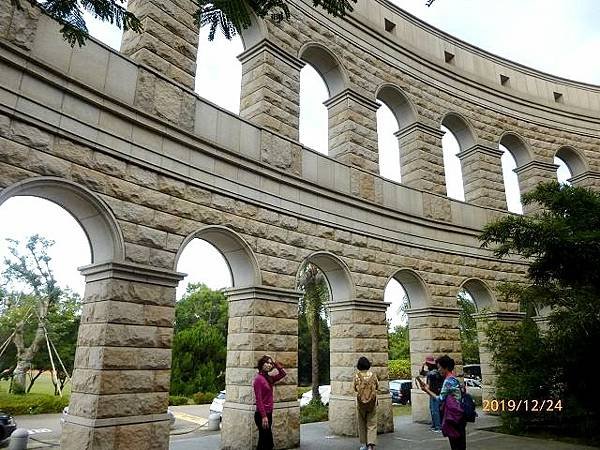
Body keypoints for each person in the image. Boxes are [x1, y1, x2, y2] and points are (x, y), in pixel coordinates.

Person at [417, 355, 466, 450]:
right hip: (459, 414)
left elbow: (440, 399)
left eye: (439, 367)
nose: (438, 370)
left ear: (446, 368)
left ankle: (437, 426)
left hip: (454, 416)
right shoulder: (453, 378)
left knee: (456, 444)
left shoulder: (448, 381)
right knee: (460, 443)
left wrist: (426, 390)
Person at [253, 355, 287, 450]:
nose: (269, 365)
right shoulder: (258, 380)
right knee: (267, 442)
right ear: (261, 364)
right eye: (267, 363)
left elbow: (283, 374)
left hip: (269, 413)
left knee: (265, 441)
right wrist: (264, 416)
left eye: (270, 363)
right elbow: (259, 400)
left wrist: (276, 364)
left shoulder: (269, 378)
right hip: (261, 415)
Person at [353, 356, 379, 450]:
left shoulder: (357, 376)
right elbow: (377, 387)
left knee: (362, 423)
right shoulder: (373, 375)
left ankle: (363, 444)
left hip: (361, 403)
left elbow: (355, 388)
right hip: (372, 402)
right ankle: (371, 445)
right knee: (372, 423)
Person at [420, 355, 444, 432]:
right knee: (432, 409)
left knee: (435, 410)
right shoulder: (432, 370)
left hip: (436, 393)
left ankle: (438, 426)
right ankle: (435, 425)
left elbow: (428, 374)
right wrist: (423, 366)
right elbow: (422, 373)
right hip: (432, 393)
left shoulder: (434, 371)